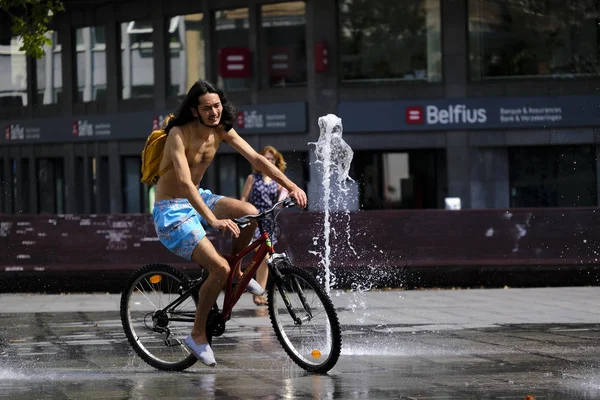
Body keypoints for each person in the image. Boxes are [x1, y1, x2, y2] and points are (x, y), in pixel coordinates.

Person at [152, 79, 307, 367]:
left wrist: (291, 185)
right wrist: (213, 220)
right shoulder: (178, 133)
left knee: (249, 212)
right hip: (171, 210)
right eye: (207, 108)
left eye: (217, 106)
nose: (214, 112)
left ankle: (236, 274)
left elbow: (257, 159)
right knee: (217, 268)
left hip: (199, 197)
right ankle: (198, 335)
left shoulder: (221, 129)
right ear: (195, 111)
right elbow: (184, 183)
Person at [240, 146, 289, 306]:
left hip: (269, 224)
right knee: (263, 257)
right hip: (254, 221)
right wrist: (242, 217)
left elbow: (280, 201)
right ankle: (255, 290)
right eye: (266, 159)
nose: (269, 161)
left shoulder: (277, 182)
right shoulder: (252, 178)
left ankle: (259, 292)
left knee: (264, 260)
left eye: (272, 159)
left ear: (276, 162)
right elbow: (243, 199)